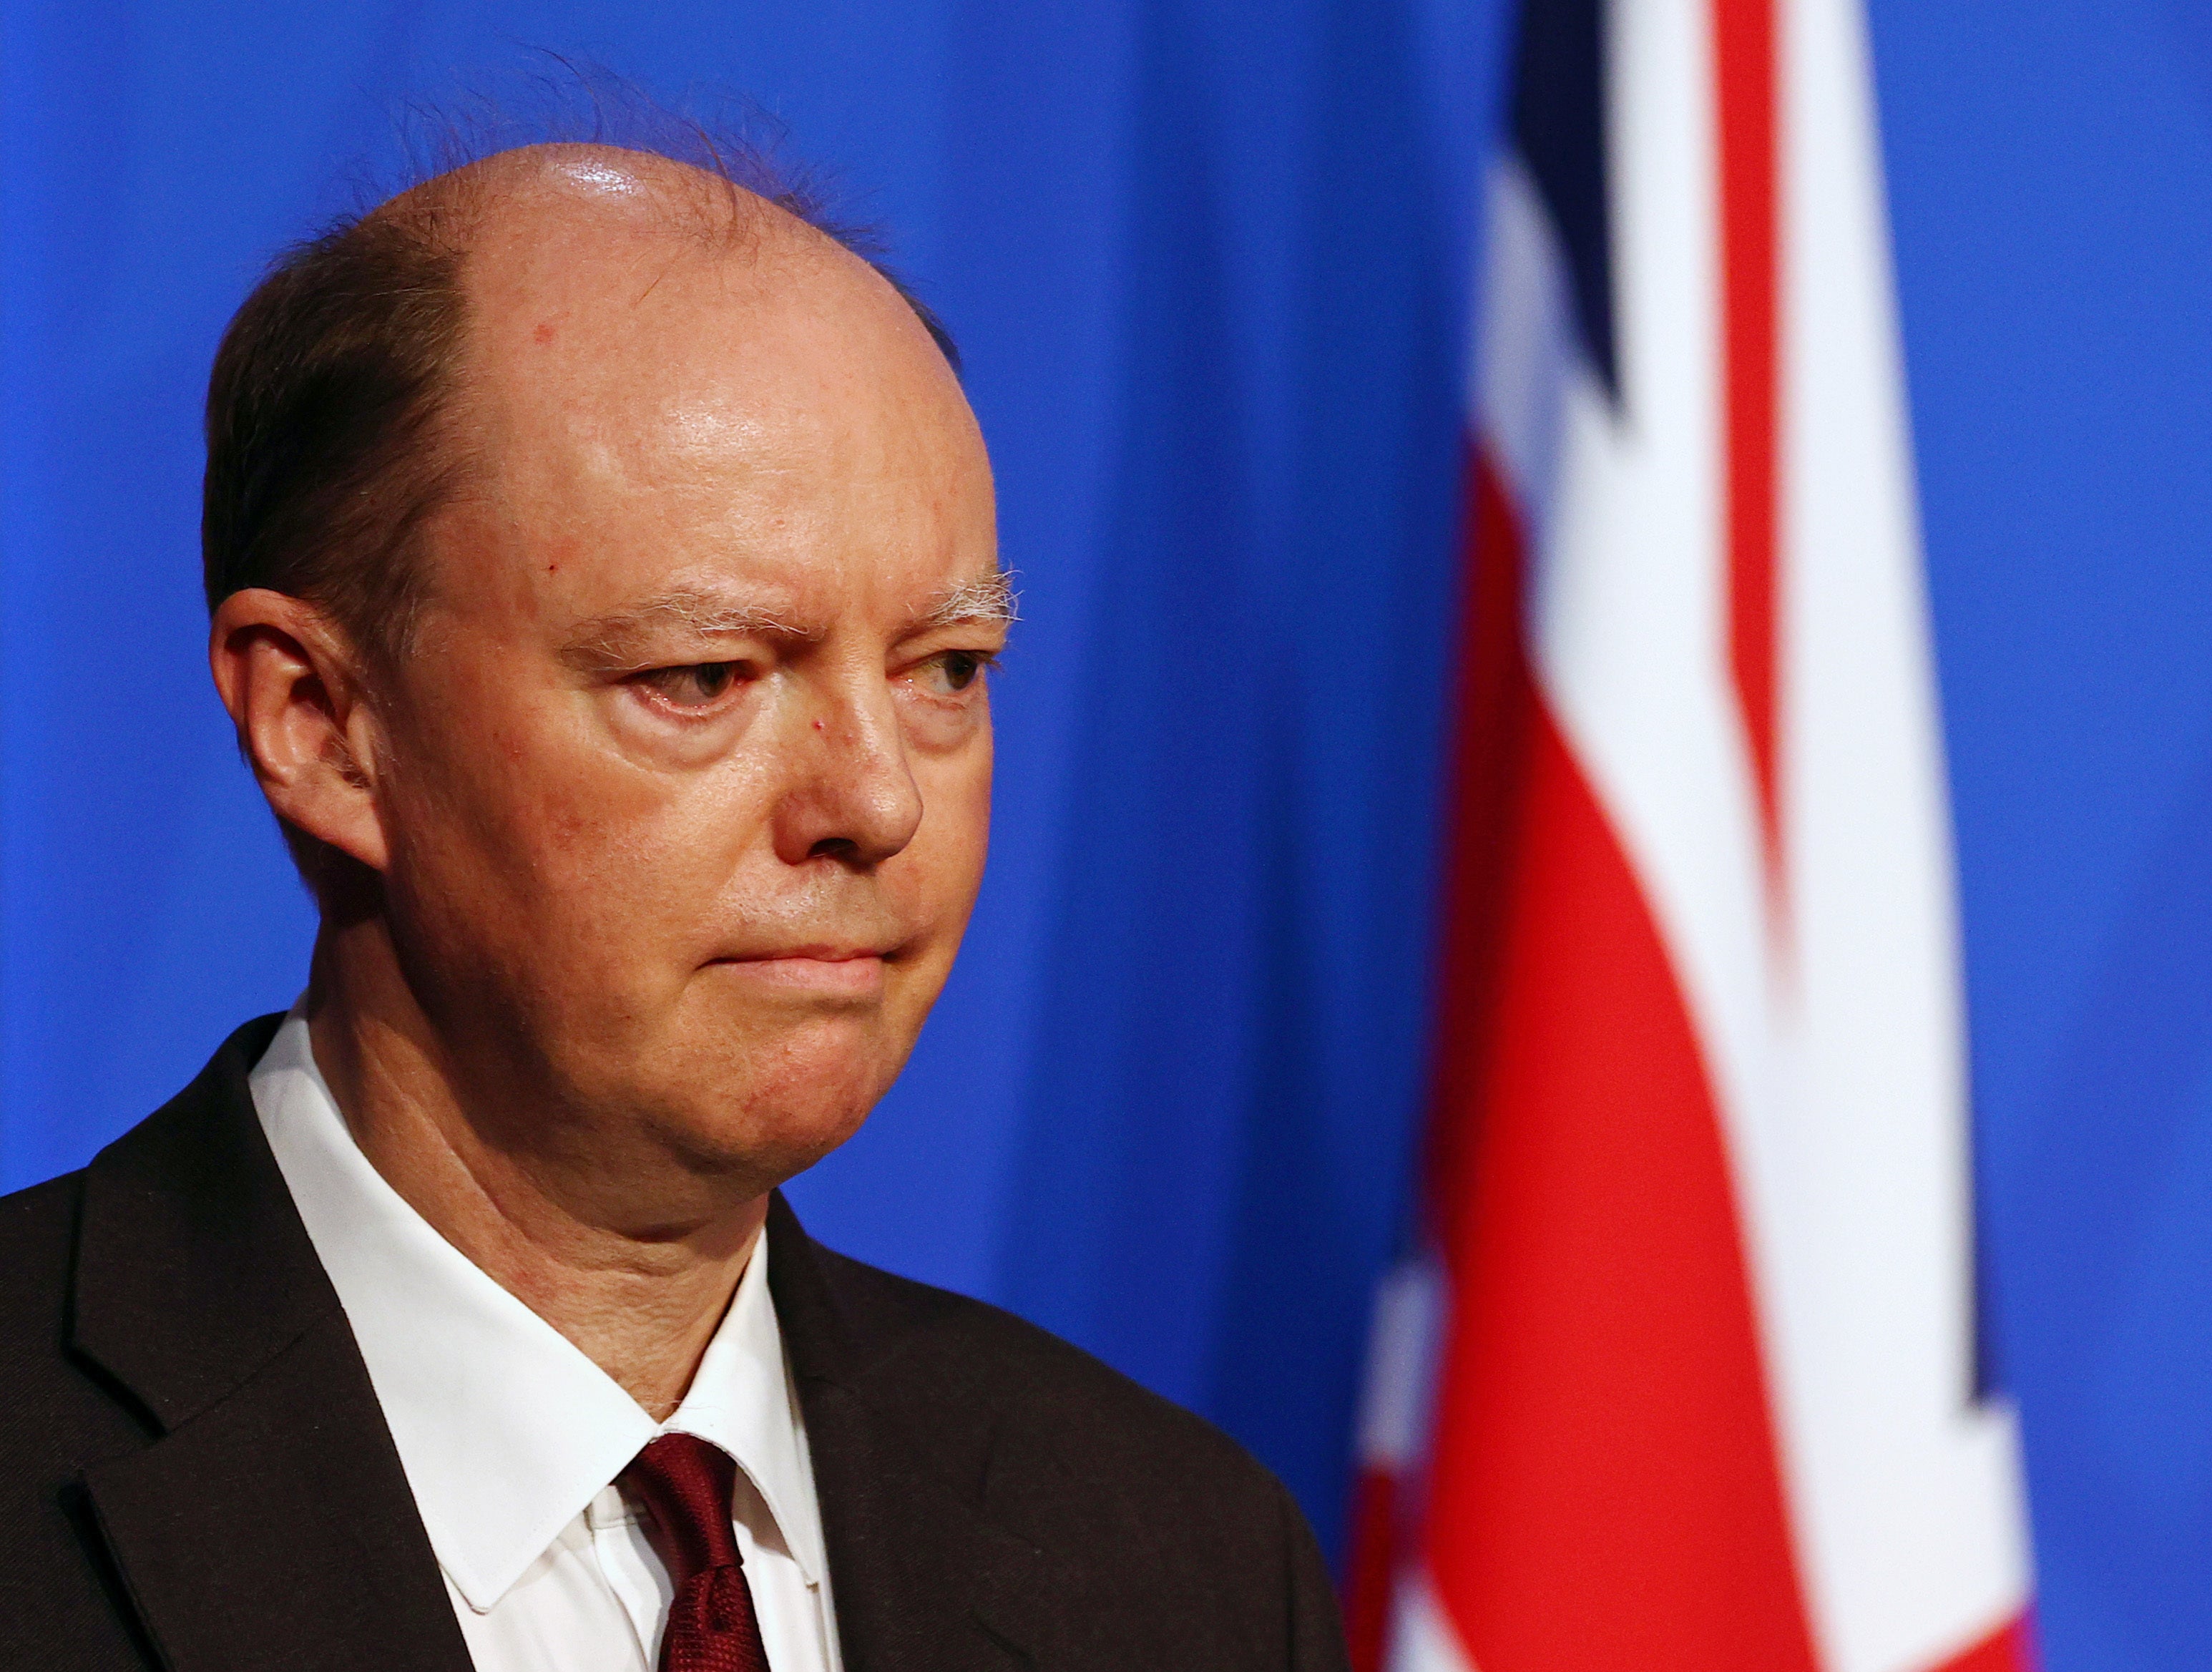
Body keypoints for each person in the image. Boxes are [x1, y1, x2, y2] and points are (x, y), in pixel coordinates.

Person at [0, 135, 1346, 1671]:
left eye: (946, 670)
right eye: (701, 677)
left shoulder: (1176, 1559)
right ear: (321, 721)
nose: (877, 800)